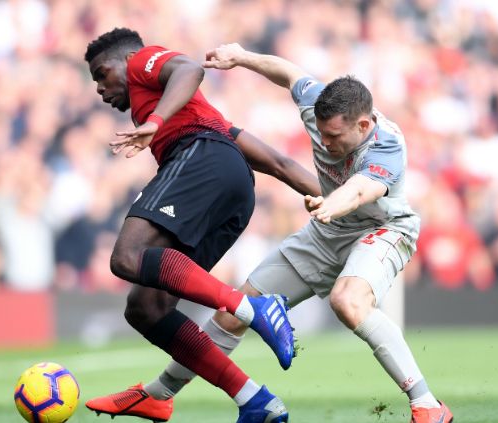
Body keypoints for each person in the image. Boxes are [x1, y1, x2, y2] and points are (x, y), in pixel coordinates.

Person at [89, 43, 454, 423]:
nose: (325, 144)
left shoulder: (387, 145)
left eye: (334, 137)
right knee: (233, 315)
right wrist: (242, 57)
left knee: (348, 302)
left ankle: (427, 405)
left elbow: (363, 190)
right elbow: (288, 73)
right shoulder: (318, 105)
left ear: (363, 126)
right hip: (327, 231)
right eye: (322, 134)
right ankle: (160, 394)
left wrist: (330, 203)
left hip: (381, 228)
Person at [83, 28, 323, 423]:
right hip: (235, 189)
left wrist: (156, 121)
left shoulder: (144, 62)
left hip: (202, 160)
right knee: (146, 308)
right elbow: (279, 164)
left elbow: (189, 68)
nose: (99, 88)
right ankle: (253, 399)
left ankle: (253, 308)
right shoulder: (199, 113)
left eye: (100, 74)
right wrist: (341, 200)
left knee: (127, 256)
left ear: (124, 61)